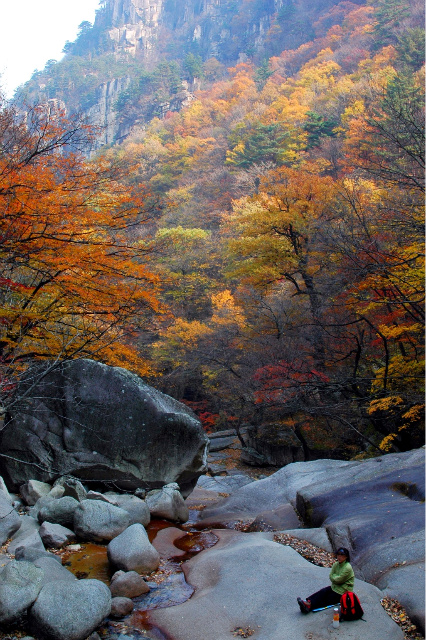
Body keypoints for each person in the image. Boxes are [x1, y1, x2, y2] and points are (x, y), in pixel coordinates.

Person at [297, 547, 354, 613]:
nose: (339, 557)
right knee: (323, 592)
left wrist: (334, 577)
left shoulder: (347, 567)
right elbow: (331, 576)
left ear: (346, 557)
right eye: (338, 554)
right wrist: (334, 578)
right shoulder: (336, 564)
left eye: (342, 555)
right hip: (335, 587)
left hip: (342, 592)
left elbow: (338, 580)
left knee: (327, 599)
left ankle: (309, 607)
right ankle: (308, 602)